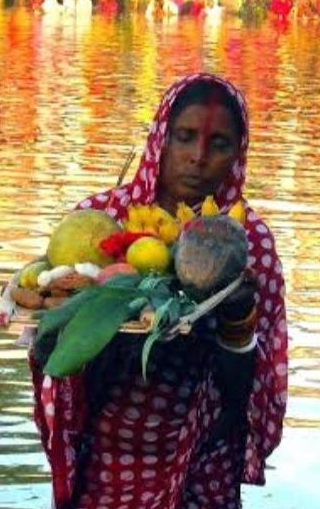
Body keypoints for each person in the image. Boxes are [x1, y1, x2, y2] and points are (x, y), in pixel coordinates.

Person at [29, 75, 288, 509]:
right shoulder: (103, 219)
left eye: (219, 144)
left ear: (237, 156)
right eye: (185, 137)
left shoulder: (246, 240)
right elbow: (53, 352)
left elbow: (248, 389)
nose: (198, 158)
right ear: (160, 140)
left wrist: (236, 319)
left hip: (203, 455)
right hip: (106, 451)